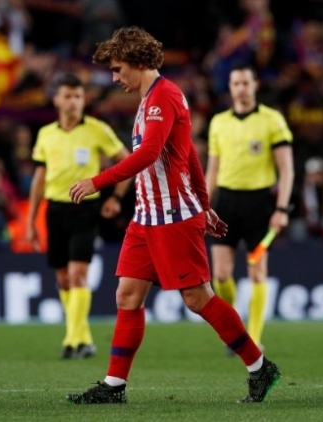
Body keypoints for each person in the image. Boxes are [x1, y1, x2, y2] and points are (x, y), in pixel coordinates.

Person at [66, 26, 281, 404]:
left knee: (197, 298)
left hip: (172, 216)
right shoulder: (150, 98)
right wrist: (205, 203)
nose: (114, 78)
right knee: (127, 295)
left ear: (136, 61)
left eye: (117, 69)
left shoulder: (163, 96)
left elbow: (150, 153)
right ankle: (114, 386)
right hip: (146, 217)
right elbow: (190, 155)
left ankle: (259, 366)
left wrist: (97, 181)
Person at [26, 72, 131, 359]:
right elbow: (39, 179)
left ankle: (71, 340)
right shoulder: (46, 134)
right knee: (63, 279)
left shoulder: (97, 129)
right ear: (57, 100)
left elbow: (127, 163)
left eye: (78, 96)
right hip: (55, 209)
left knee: (77, 274)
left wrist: (116, 198)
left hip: (85, 209)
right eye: (68, 96)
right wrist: (31, 220)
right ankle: (83, 338)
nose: (73, 101)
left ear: (84, 100)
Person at [205, 64, 294, 354]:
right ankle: (235, 330)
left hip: (259, 204)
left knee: (257, 272)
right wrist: (203, 205)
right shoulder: (218, 122)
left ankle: (253, 338)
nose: (241, 88)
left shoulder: (272, 120)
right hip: (225, 204)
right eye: (236, 83)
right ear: (230, 87)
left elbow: (287, 169)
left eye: (245, 83)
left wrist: (281, 209)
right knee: (221, 275)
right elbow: (212, 169)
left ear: (255, 85)